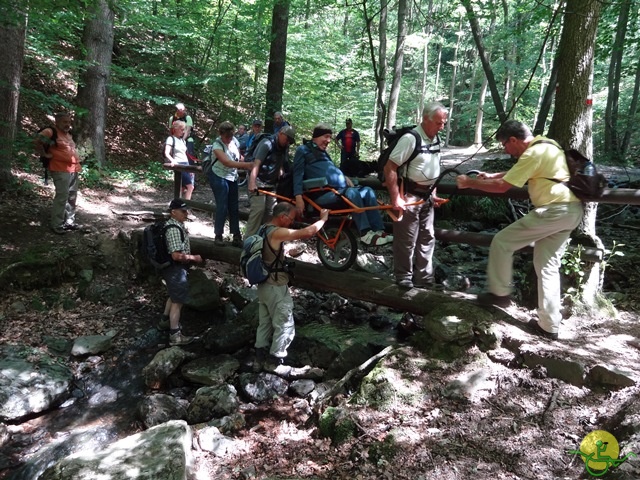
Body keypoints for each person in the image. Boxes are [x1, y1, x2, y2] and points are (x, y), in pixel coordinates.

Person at [456, 120, 583, 340]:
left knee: (502, 241)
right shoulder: (547, 144)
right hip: (571, 211)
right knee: (547, 265)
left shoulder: (533, 153)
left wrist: (469, 183)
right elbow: (522, 171)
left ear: (513, 140)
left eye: (505, 145)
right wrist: (493, 175)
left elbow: (503, 187)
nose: (506, 151)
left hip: (554, 210)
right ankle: (549, 325)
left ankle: (500, 293)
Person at [254, 202, 330, 372]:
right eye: (291, 218)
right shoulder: (276, 232)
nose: (292, 222)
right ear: (282, 216)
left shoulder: (263, 228)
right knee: (285, 324)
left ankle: (259, 359)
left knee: (265, 323)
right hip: (275, 285)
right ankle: (275, 362)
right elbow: (307, 232)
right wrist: (323, 219)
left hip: (263, 285)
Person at [292, 123, 392, 247]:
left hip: (338, 191)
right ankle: (365, 233)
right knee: (352, 192)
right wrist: (298, 197)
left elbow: (332, 168)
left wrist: (343, 177)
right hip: (321, 195)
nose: (329, 140)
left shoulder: (323, 153)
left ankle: (378, 231)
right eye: (326, 137)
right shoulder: (303, 150)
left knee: (367, 190)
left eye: (330, 137)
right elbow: (297, 174)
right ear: (316, 136)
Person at [384, 102, 449, 289]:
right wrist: (396, 197)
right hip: (409, 197)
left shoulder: (435, 139)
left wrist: (433, 193)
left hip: (427, 198)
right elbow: (390, 167)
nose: (441, 127)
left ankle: (424, 279)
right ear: (425, 119)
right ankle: (403, 277)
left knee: (427, 238)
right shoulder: (410, 139)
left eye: (443, 123)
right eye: (438, 123)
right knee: (406, 239)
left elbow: (433, 168)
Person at [159, 199, 204, 346]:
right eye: (183, 211)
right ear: (173, 212)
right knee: (178, 302)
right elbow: (176, 255)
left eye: (186, 210)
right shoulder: (173, 228)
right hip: (174, 268)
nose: (186, 213)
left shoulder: (177, 225)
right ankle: (175, 335)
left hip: (173, 268)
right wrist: (194, 258)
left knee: (173, 295)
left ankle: (164, 322)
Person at [34, 112, 82, 235]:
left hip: (73, 169)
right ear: (57, 122)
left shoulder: (68, 134)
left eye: (69, 122)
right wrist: (44, 154)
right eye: (64, 122)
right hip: (59, 169)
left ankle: (69, 221)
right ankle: (57, 224)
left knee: (72, 196)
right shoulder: (50, 132)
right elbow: (37, 141)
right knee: (62, 196)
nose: (67, 124)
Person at [207, 121, 253, 246]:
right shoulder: (217, 145)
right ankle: (218, 235)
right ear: (221, 134)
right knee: (222, 206)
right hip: (219, 176)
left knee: (234, 206)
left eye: (231, 136)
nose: (229, 139)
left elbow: (238, 158)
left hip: (232, 177)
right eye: (227, 137)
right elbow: (227, 162)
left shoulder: (234, 142)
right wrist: (247, 165)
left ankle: (236, 235)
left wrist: (250, 160)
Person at [246, 126, 296, 237]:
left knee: (272, 213)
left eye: (290, 141)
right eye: (287, 139)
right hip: (258, 181)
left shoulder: (284, 147)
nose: (288, 142)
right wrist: (252, 182)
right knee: (258, 210)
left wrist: (281, 169)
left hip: (271, 184)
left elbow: (283, 162)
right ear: (280, 133)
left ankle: (264, 241)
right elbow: (256, 163)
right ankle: (248, 242)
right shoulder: (266, 144)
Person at [164, 120, 194, 200]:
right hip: (179, 164)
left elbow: (184, 154)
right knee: (190, 187)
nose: (183, 131)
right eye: (181, 129)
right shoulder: (170, 139)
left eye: (184, 129)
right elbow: (166, 153)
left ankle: (177, 205)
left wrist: (189, 168)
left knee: (182, 188)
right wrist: (172, 160)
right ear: (175, 129)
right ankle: (185, 206)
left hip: (186, 164)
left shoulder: (183, 141)